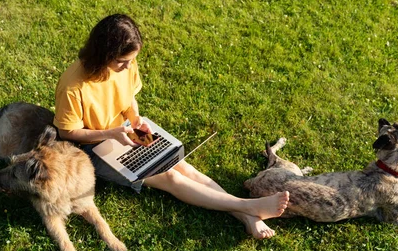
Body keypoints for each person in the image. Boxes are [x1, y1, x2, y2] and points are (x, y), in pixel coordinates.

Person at [53, 14, 290, 239]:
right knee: (170, 179)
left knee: (183, 167)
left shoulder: (126, 64)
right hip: (94, 150)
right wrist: (111, 134)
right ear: (102, 54)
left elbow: (127, 98)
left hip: (126, 131)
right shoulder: (73, 86)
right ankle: (248, 207)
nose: (128, 67)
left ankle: (247, 217)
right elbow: (67, 132)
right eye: (122, 62)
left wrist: (135, 119)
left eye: (131, 61)